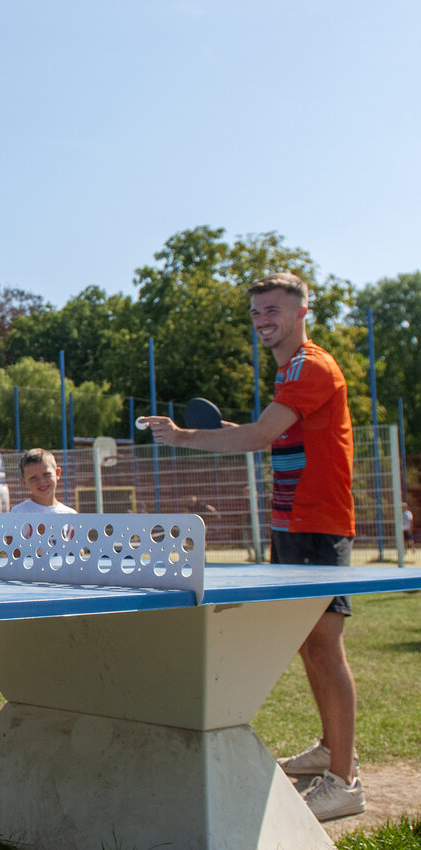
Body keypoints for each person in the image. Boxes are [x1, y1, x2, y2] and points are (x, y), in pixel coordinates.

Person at [140, 272, 361, 821]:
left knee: (325, 646)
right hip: (292, 521)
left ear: (301, 312)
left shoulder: (311, 365)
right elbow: (270, 431)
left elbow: (258, 437)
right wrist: (183, 432)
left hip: (318, 522)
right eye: (258, 312)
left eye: (273, 311)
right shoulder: (288, 372)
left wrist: (186, 439)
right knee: (310, 645)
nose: (264, 320)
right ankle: (333, 751)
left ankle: (345, 780)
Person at [9, 448, 76, 514]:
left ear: (57, 473)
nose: (41, 481)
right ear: (24, 482)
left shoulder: (70, 515)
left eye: (46, 474)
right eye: (33, 478)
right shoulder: (18, 512)